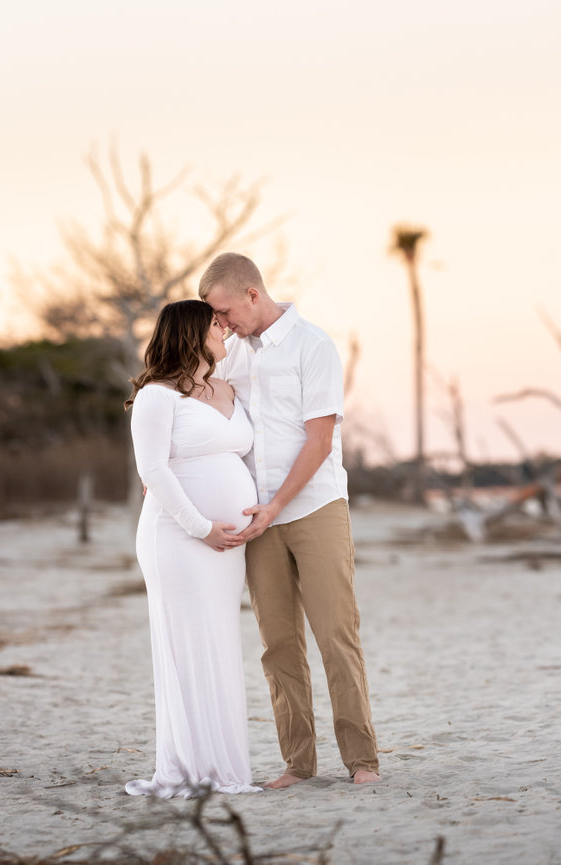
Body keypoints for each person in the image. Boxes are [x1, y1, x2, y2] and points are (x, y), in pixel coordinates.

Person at [199, 252, 381, 788]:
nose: (220, 323)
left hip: (315, 508)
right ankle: (298, 764)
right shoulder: (228, 355)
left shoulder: (313, 345)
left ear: (253, 294)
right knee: (277, 645)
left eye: (225, 311)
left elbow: (319, 441)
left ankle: (362, 761)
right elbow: (200, 416)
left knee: (336, 635)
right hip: (255, 520)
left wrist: (276, 506)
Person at [123, 299, 262, 798]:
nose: (224, 331)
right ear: (191, 333)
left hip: (227, 547)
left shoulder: (229, 388)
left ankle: (224, 767)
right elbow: (153, 471)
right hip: (177, 539)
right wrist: (201, 527)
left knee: (219, 642)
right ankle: (188, 766)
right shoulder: (157, 397)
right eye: (215, 326)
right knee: (187, 647)